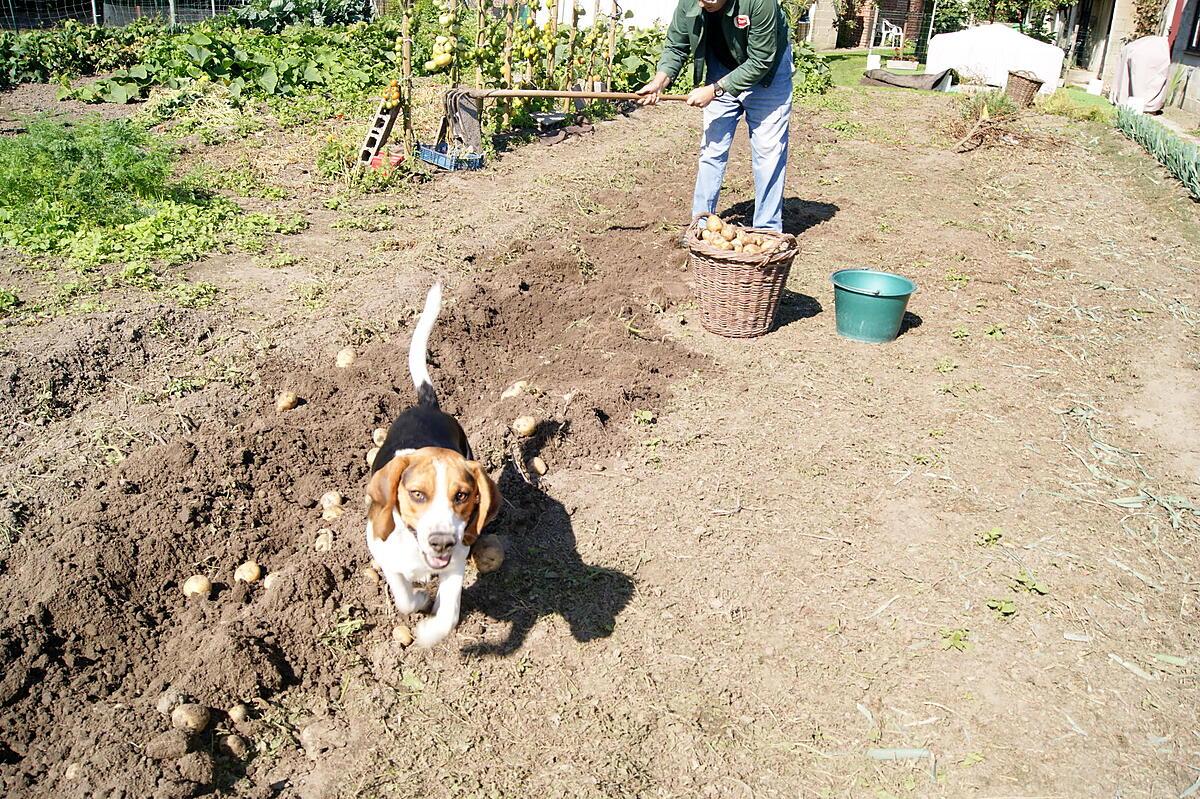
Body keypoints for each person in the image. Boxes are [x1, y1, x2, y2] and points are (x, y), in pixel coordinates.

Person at [638, 0, 794, 232]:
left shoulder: (760, 2)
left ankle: (767, 231)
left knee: (769, 153)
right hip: (721, 65)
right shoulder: (694, 1)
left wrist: (714, 90)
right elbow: (676, 45)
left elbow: (761, 60)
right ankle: (701, 224)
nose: (702, 3)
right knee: (712, 149)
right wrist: (659, 81)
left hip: (767, 72)